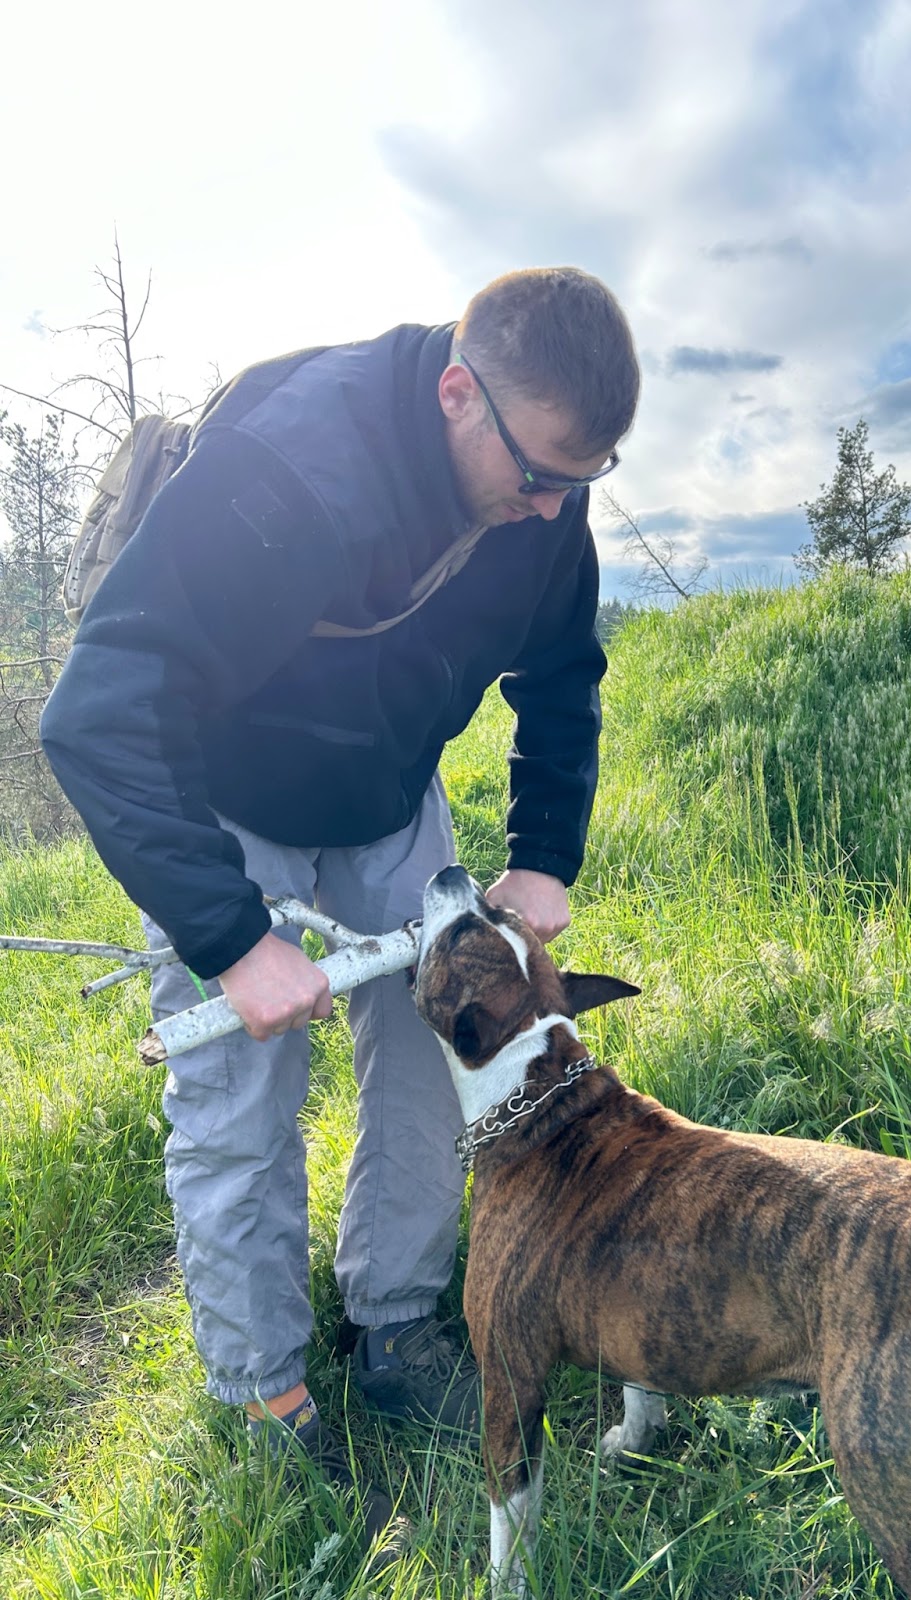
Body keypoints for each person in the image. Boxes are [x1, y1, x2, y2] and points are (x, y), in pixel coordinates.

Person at [40, 266, 640, 1541]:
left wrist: (545, 854)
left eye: (580, 485)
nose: (551, 511)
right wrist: (232, 939)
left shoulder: (549, 497)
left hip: (387, 799)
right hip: (228, 793)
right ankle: (262, 1392)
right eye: (538, 475)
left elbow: (565, 671)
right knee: (241, 1101)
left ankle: (396, 1319)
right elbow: (94, 715)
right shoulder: (290, 469)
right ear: (455, 393)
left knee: (438, 1056)